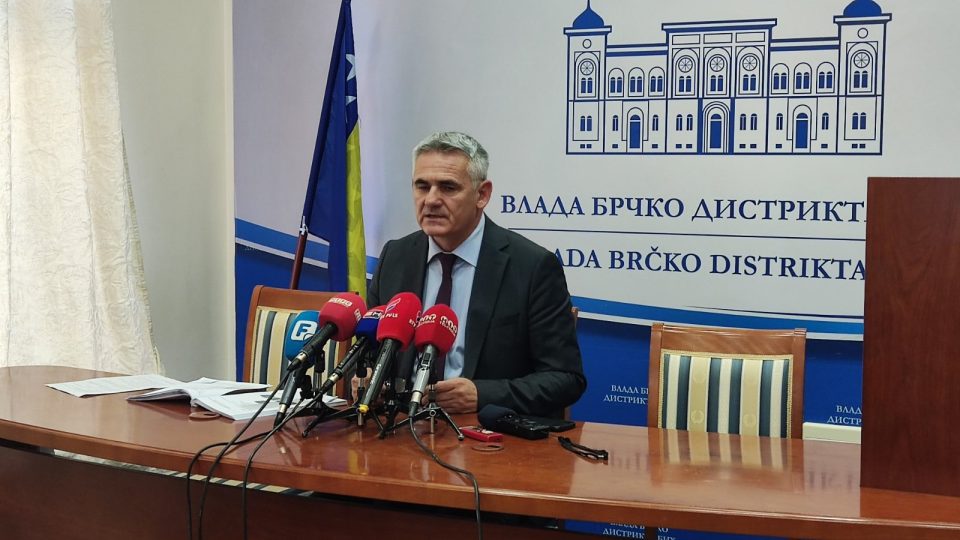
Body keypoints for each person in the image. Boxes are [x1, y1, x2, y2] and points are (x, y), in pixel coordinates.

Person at [366, 131, 586, 418]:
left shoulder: (533, 267)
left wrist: (481, 395)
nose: (431, 200)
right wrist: (368, 376)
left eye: (448, 187)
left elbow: (566, 378)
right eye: (422, 186)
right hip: (399, 425)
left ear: (482, 195)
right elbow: (372, 351)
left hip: (485, 431)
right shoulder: (395, 256)